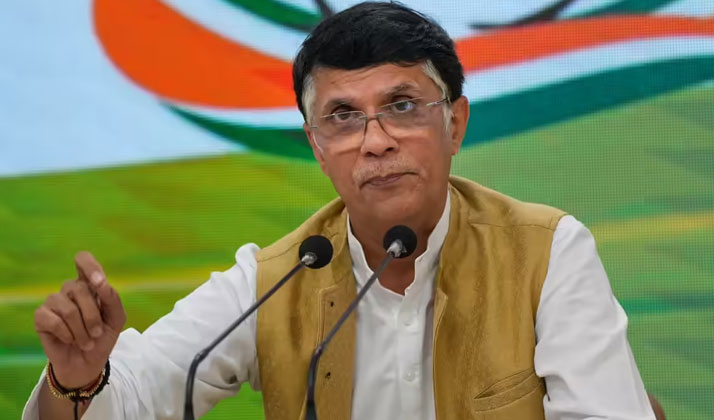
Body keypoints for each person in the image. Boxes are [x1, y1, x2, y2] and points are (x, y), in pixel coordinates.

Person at [23, 2, 657, 419]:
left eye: (402, 106)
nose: (375, 141)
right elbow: (135, 395)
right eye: (344, 117)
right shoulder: (277, 278)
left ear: (455, 123)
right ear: (318, 148)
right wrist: (75, 379)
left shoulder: (548, 251)